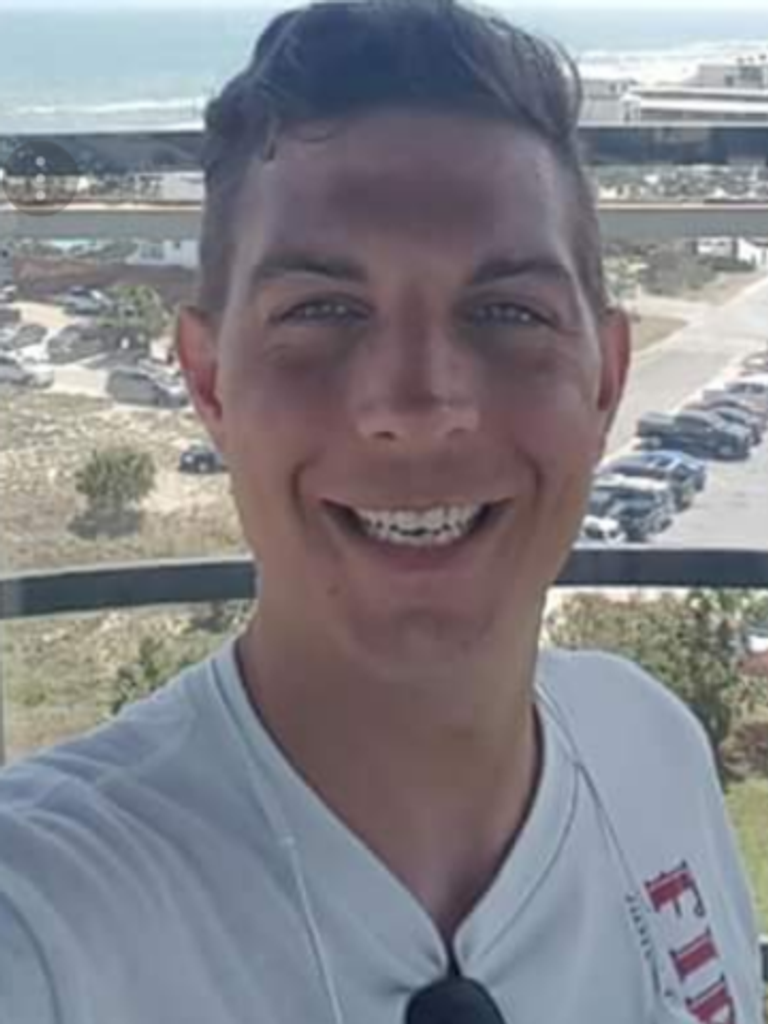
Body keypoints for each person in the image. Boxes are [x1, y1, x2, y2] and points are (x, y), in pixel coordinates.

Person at [0, 2, 763, 1021]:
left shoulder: (652, 747)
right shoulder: (49, 924)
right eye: (322, 310)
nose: (418, 405)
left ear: (606, 381)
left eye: (507, 312)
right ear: (209, 381)